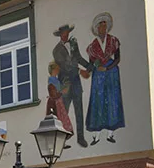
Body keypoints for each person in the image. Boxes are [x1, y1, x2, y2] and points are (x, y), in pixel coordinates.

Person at [86, 12, 125, 144]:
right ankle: (96, 136)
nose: (103, 28)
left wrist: (108, 68)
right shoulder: (92, 46)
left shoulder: (113, 40)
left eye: (105, 25)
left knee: (112, 100)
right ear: (97, 29)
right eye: (101, 26)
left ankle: (110, 134)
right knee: (98, 102)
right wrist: (88, 71)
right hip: (98, 75)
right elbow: (91, 62)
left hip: (111, 73)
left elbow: (118, 58)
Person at [53, 23, 91, 148]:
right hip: (64, 84)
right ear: (60, 35)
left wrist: (90, 67)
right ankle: (61, 140)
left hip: (76, 82)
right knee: (64, 112)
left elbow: (78, 58)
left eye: (67, 33)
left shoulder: (73, 44)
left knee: (79, 110)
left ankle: (81, 137)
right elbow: (66, 65)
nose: (66, 35)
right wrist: (81, 71)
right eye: (64, 33)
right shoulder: (56, 50)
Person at [46, 62, 74, 137]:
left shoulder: (55, 79)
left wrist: (65, 87)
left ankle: (62, 140)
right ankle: (60, 139)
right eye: (57, 69)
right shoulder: (52, 80)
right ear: (53, 70)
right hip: (55, 102)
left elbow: (61, 89)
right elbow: (57, 91)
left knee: (61, 121)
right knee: (59, 120)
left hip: (58, 101)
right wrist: (64, 89)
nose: (58, 71)